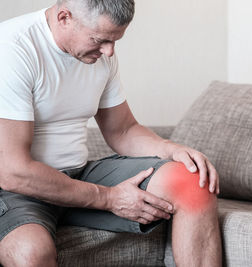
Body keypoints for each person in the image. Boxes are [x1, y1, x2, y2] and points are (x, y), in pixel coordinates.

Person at [0, 0, 222, 266]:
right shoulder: (13, 48)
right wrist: (108, 198)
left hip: (78, 173)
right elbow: (12, 172)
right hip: (21, 189)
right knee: (30, 252)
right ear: (64, 17)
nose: (108, 51)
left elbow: (123, 130)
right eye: (100, 39)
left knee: (191, 181)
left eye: (115, 41)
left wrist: (171, 149)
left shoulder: (100, 55)